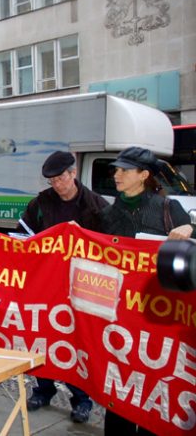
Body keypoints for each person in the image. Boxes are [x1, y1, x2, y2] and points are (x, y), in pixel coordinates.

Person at [100, 147, 193, 435]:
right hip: (120, 317)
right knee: (119, 388)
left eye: (124, 170)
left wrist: (190, 229)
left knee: (156, 387)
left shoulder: (169, 209)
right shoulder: (106, 213)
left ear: (143, 175)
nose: (117, 174)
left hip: (157, 315)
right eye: (116, 170)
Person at [19, 151, 106, 424]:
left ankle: (81, 399)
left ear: (73, 173)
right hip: (45, 284)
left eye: (61, 178)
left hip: (78, 288)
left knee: (74, 342)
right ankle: (42, 389)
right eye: (52, 181)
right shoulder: (41, 203)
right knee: (42, 336)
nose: (57, 185)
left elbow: (106, 250)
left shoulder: (96, 205)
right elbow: (23, 236)